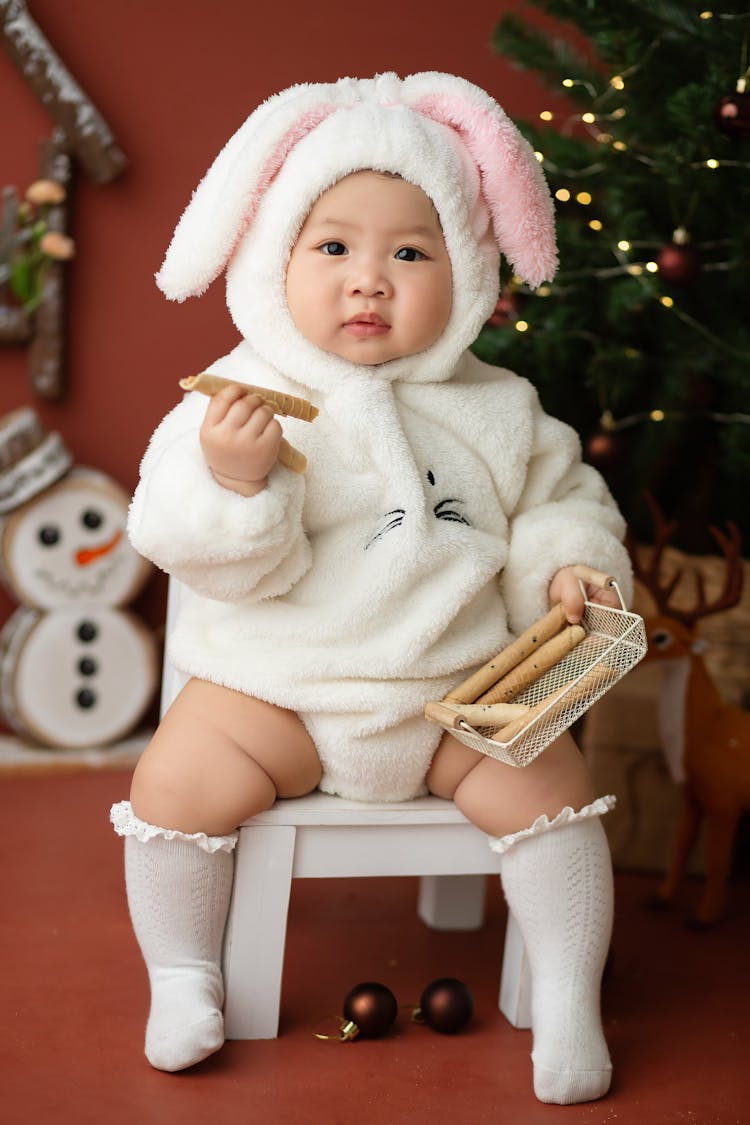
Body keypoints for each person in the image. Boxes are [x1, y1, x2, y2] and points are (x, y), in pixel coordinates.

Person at [110, 72, 633, 1104]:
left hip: (458, 695)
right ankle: (182, 975)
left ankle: (570, 992)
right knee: (172, 783)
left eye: (411, 252)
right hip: (279, 694)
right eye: (334, 247)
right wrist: (233, 483)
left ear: (472, 269)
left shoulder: (501, 407)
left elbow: (562, 500)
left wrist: (571, 563)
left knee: (558, 793)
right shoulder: (241, 396)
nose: (369, 281)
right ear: (275, 259)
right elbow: (177, 534)